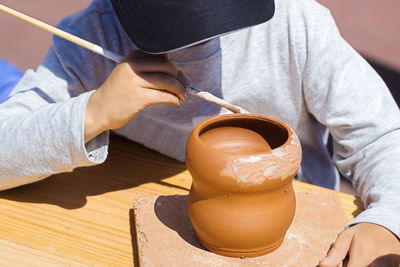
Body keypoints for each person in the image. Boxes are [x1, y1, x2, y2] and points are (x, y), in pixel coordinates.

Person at [0, 0, 399, 265]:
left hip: (298, 231)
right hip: (124, 231)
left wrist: (387, 219)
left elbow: (382, 134)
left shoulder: (295, 24)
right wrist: (95, 111)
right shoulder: (92, 38)